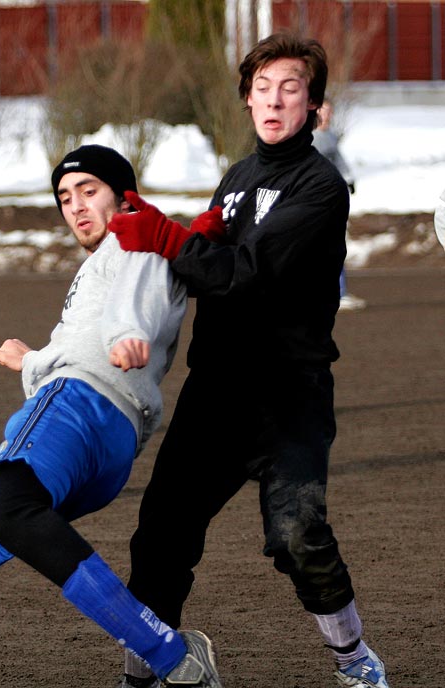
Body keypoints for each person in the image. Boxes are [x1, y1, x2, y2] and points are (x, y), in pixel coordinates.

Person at [0, 145, 225, 688]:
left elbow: (131, 307)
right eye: (65, 197)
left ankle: (173, 657)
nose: (76, 206)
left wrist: (126, 334)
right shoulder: (109, 256)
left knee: (12, 508)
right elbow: (91, 335)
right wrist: (33, 361)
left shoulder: (135, 234)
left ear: (123, 194)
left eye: (90, 191)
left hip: (79, 407)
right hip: (89, 421)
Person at [108, 34, 389, 688]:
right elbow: (205, 252)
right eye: (262, 88)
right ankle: (150, 671)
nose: (274, 99)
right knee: (158, 537)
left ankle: (355, 662)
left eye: (290, 88)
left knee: (298, 538)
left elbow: (243, 274)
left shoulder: (320, 187)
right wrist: (164, 235)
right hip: (217, 394)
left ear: (315, 106)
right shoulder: (237, 177)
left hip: (288, 397)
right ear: (246, 100)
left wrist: (169, 239)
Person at [313, 97, 366, 311]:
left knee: (332, 246)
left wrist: (348, 178)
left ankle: (338, 292)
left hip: (331, 200)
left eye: (329, 111)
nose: (327, 115)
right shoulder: (311, 139)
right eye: (323, 111)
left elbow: (339, 160)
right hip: (317, 201)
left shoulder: (329, 136)